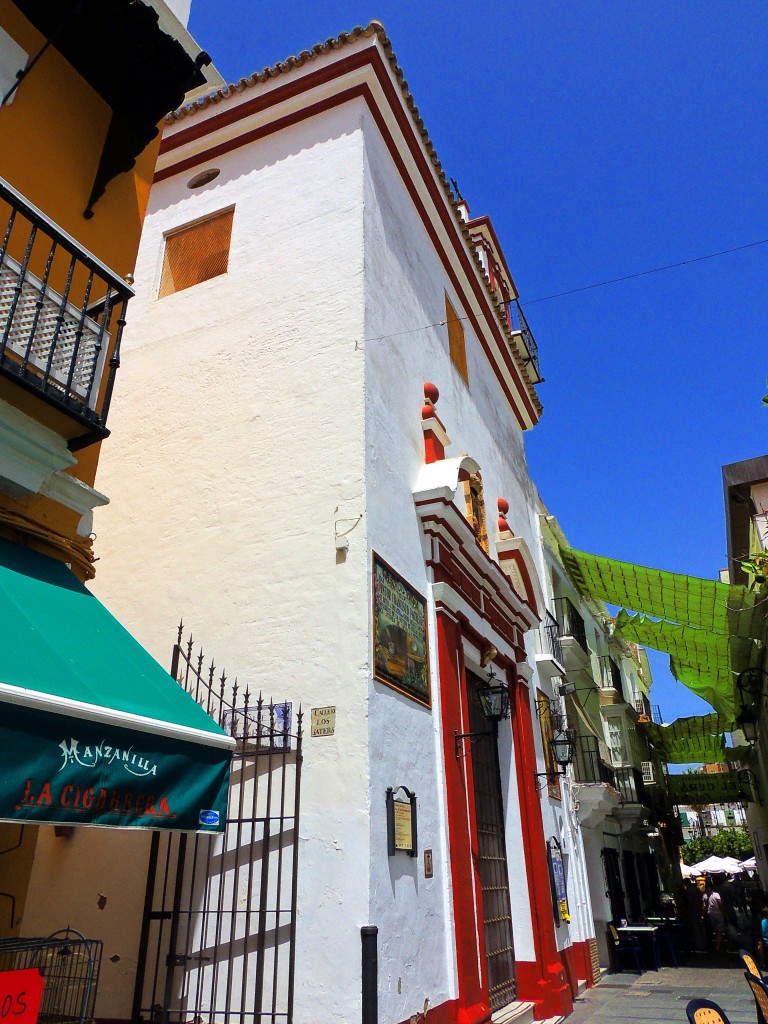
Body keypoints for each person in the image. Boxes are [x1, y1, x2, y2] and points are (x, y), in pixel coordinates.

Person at [706, 881, 726, 953]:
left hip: (710, 913)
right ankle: (718, 947)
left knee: (716, 930)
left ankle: (719, 944)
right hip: (718, 913)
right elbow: (720, 904)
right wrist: (724, 913)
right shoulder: (716, 894)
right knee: (719, 931)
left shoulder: (705, 895)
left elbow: (704, 906)